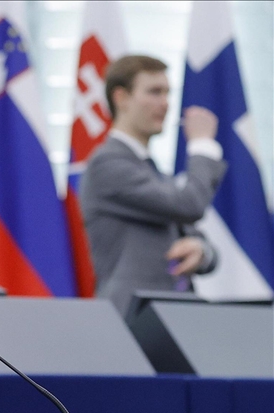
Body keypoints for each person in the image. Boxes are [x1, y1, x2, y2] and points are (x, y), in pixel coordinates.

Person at [79, 54, 227, 317]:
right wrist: (202, 146)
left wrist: (200, 251)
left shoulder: (154, 172)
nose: (165, 103)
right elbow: (189, 205)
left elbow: (200, 241)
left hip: (172, 317)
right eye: (154, 92)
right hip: (132, 321)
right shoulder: (107, 164)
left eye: (167, 93)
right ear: (121, 98)